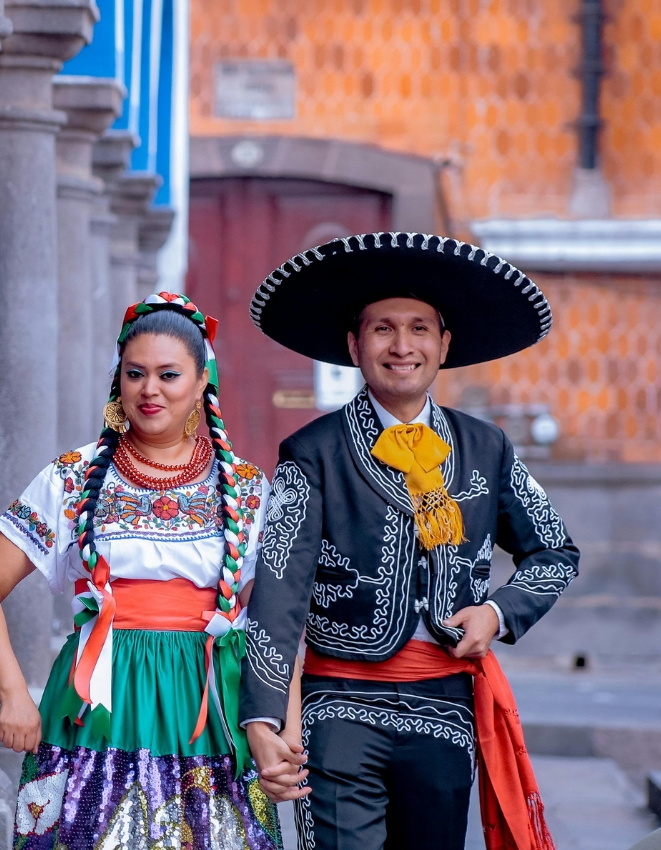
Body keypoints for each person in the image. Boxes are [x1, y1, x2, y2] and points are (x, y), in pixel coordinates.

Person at [240, 233, 581, 850]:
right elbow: (279, 591)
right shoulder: (312, 452)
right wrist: (264, 717)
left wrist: (499, 611)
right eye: (383, 329)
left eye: (420, 328)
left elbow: (555, 551)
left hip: (446, 706)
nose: (403, 346)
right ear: (354, 345)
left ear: (444, 345)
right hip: (338, 704)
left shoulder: (486, 448)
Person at [0, 292, 300, 848]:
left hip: (210, 695)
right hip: (101, 696)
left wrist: (282, 720)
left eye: (169, 374)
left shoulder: (244, 485)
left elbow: (275, 620)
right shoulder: (72, 478)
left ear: (200, 383)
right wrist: (12, 691)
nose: (150, 389)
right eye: (135, 373)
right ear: (118, 378)